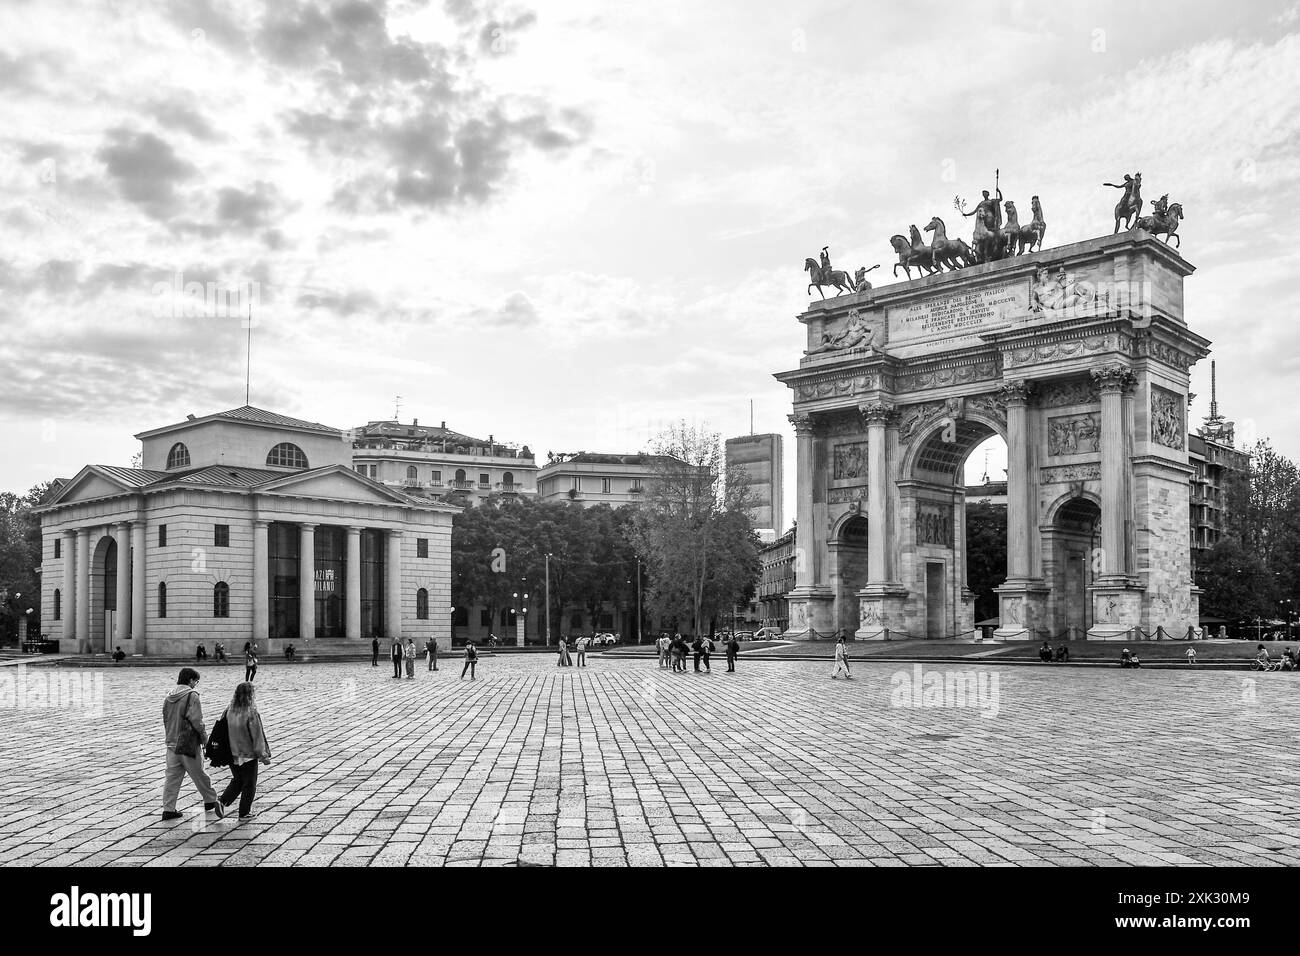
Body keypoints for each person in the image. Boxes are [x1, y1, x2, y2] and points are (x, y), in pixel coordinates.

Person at [161, 667, 223, 821]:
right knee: (199, 773)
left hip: (171, 742)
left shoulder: (168, 696)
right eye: (196, 681)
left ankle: (168, 809)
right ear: (190, 680)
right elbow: (197, 721)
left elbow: (165, 718)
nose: (196, 684)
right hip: (187, 743)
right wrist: (204, 739)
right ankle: (210, 800)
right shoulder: (192, 696)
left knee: (172, 777)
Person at [218, 681, 272, 820]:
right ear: (250, 695)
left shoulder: (229, 710)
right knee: (249, 784)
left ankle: (222, 801)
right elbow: (257, 736)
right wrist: (263, 756)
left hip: (232, 752)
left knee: (238, 780)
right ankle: (244, 813)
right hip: (248, 754)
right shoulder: (251, 712)